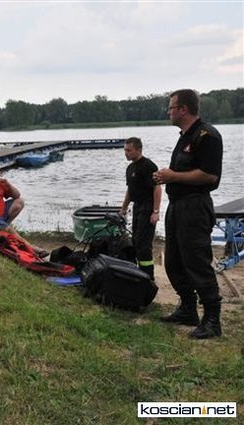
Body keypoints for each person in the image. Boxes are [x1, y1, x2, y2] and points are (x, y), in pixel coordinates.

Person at [153, 89, 223, 339]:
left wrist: (173, 176)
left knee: (197, 262)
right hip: (177, 206)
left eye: (171, 107)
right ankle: (187, 308)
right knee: (173, 262)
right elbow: (183, 171)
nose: (168, 112)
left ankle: (212, 319)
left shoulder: (207, 135)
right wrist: (166, 177)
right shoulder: (185, 136)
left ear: (183, 109)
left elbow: (210, 176)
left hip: (195, 207)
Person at [119, 137, 161, 280]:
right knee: (135, 241)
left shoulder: (148, 166)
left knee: (144, 244)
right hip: (137, 207)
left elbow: (157, 188)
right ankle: (138, 274)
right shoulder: (130, 168)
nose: (126, 153)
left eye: (129, 150)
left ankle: (148, 277)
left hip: (147, 207)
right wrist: (123, 209)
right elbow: (130, 190)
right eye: (125, 150)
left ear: (139, 150)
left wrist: (156, 212)